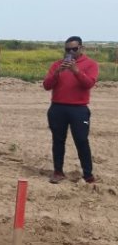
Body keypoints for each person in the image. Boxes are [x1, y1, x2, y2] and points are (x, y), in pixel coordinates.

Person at [42, 36, 99, 184]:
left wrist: (76, 71)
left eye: (74, 49)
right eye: (68, 49)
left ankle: (87, 174)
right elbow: (47, 85)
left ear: (81, 48)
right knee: (58, 141)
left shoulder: (90, 64)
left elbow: (88, 84)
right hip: (58, 107)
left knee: (81, 141)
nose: (71, 52)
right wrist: (57, 73)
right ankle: (58, 171)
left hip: (79, 109)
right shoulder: (57, 65)